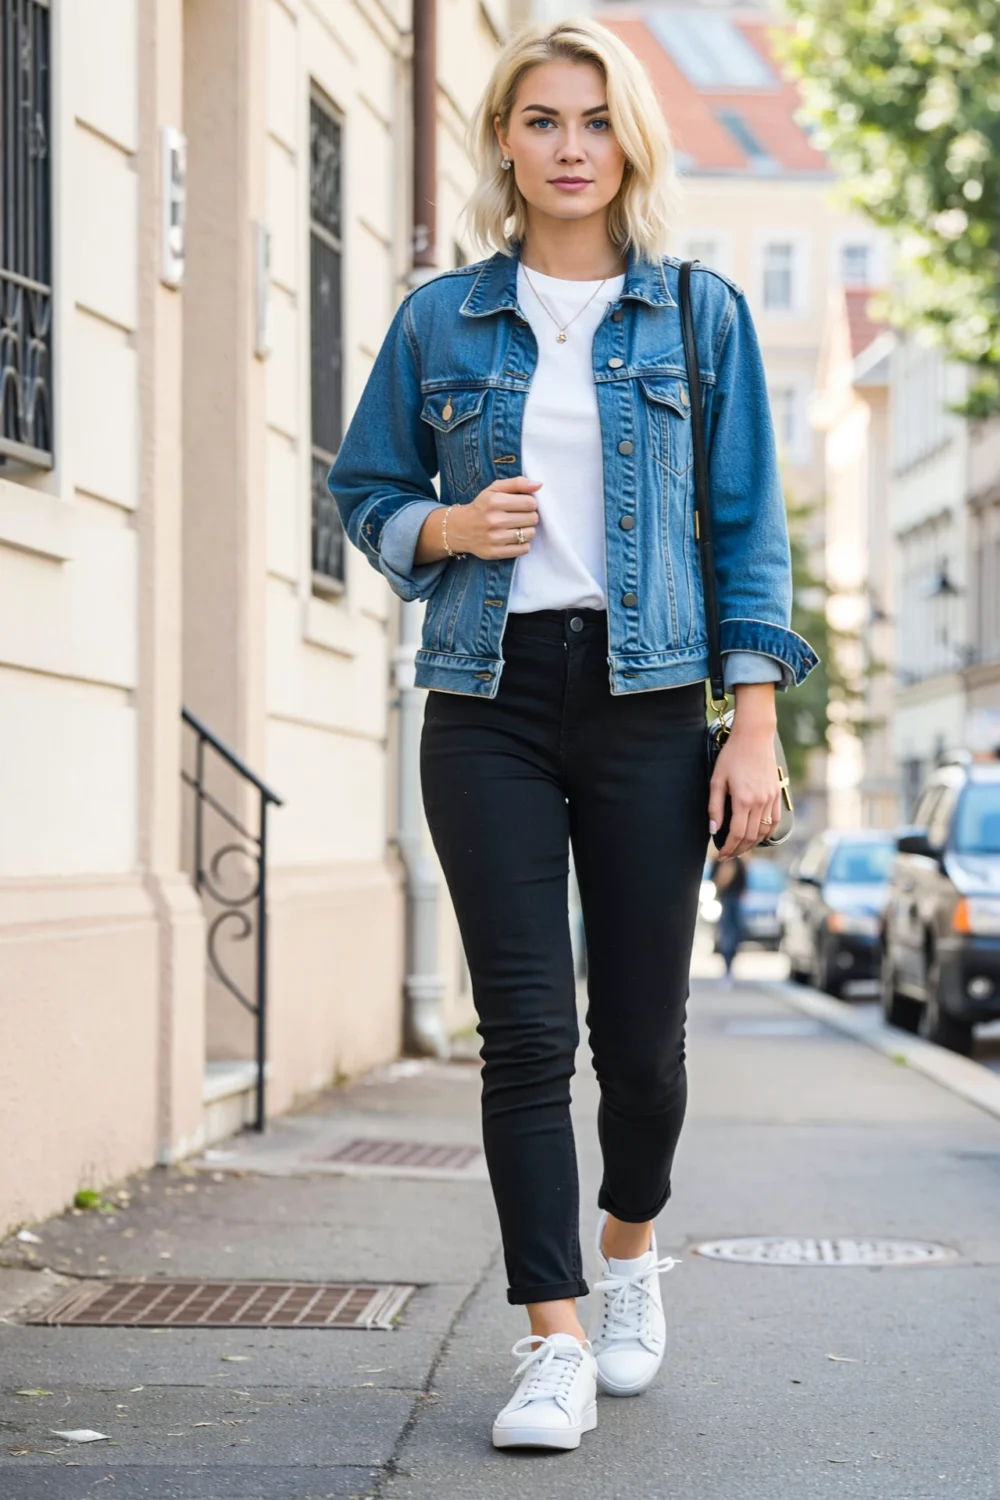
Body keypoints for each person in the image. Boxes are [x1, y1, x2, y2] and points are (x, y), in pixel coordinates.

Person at [328, 17, 818, 1453]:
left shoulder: (698, 317)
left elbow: (748, 535)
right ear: (502, 140)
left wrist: (753, 731)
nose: (568, 147)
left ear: (630, 143)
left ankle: (629, 1253)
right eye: (541, 120)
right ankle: (548, 1340)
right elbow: (362, 491)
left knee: (644, 1046)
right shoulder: (439, 320)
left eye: (593, 121)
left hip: (654, 702)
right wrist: (446, 525)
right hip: (486, 699)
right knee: (524, 1035)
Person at [712, 853, 748, 983]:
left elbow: (743, 882)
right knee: (727, 933)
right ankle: (727, 967)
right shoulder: (721, 860)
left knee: (734, 933)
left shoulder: (738, 862)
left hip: (734, 900)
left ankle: (729, 966)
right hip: (726, 899)